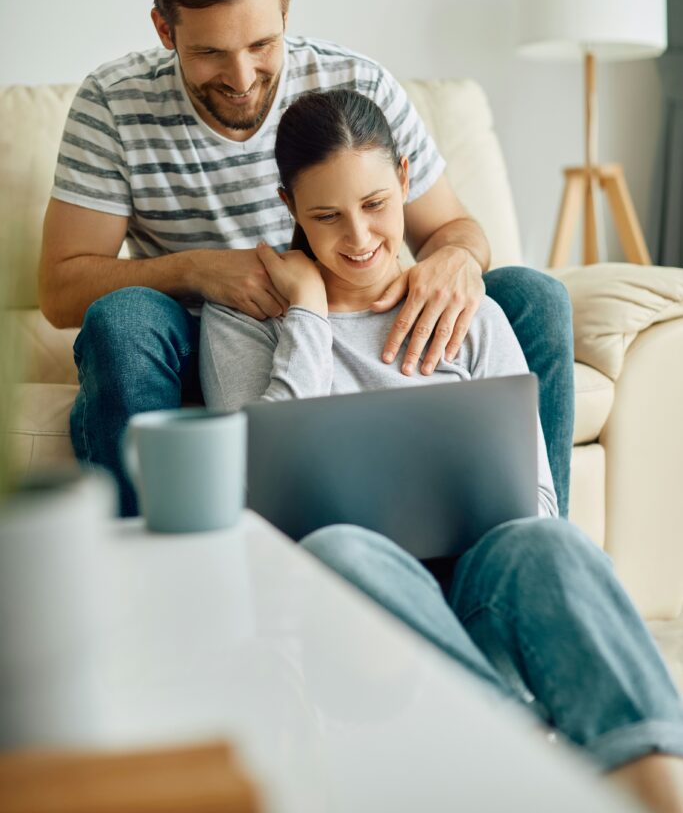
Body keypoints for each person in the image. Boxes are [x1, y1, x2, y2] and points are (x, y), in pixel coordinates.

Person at [200, 88, 683, 813]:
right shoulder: (247, 318)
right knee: (343, 550)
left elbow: (535, 501)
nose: (358, 237)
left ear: (403, 178)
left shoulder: (471, 312)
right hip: (355, 626)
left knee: (547, 543)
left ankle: (656, 790)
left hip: (475, 604)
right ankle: (517, 763)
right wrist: (305, 315)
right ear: (288, 205)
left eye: (374, 204)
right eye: (326, 216)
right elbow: (255, 491)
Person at [38, 0, 573, 518]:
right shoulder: (113, 102)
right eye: (210, 52)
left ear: (286, 15)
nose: (242, 79)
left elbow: (454, 228)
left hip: (346, 327)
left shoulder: (357, 83)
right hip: (199, 343)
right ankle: (158, 569)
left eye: (262, 45)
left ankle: (543, 548)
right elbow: (60, 290)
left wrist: (455, 255)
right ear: (165, 30)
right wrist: (197, 270)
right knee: (123, 321)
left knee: (534, 294)